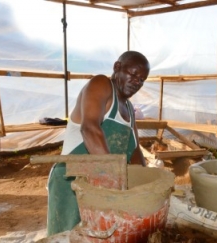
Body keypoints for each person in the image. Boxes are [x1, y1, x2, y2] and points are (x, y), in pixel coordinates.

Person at [46, 50, 150, 236]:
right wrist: (117, 186)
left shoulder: (129, 111)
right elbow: (90, 130)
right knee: (68, 237)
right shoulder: (101, 85)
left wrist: (146, 187)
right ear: (117, 67)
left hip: (104, 186)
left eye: (142, 79)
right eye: (133, 74)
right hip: (72, 182)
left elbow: (135, 153)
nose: (137, 82)